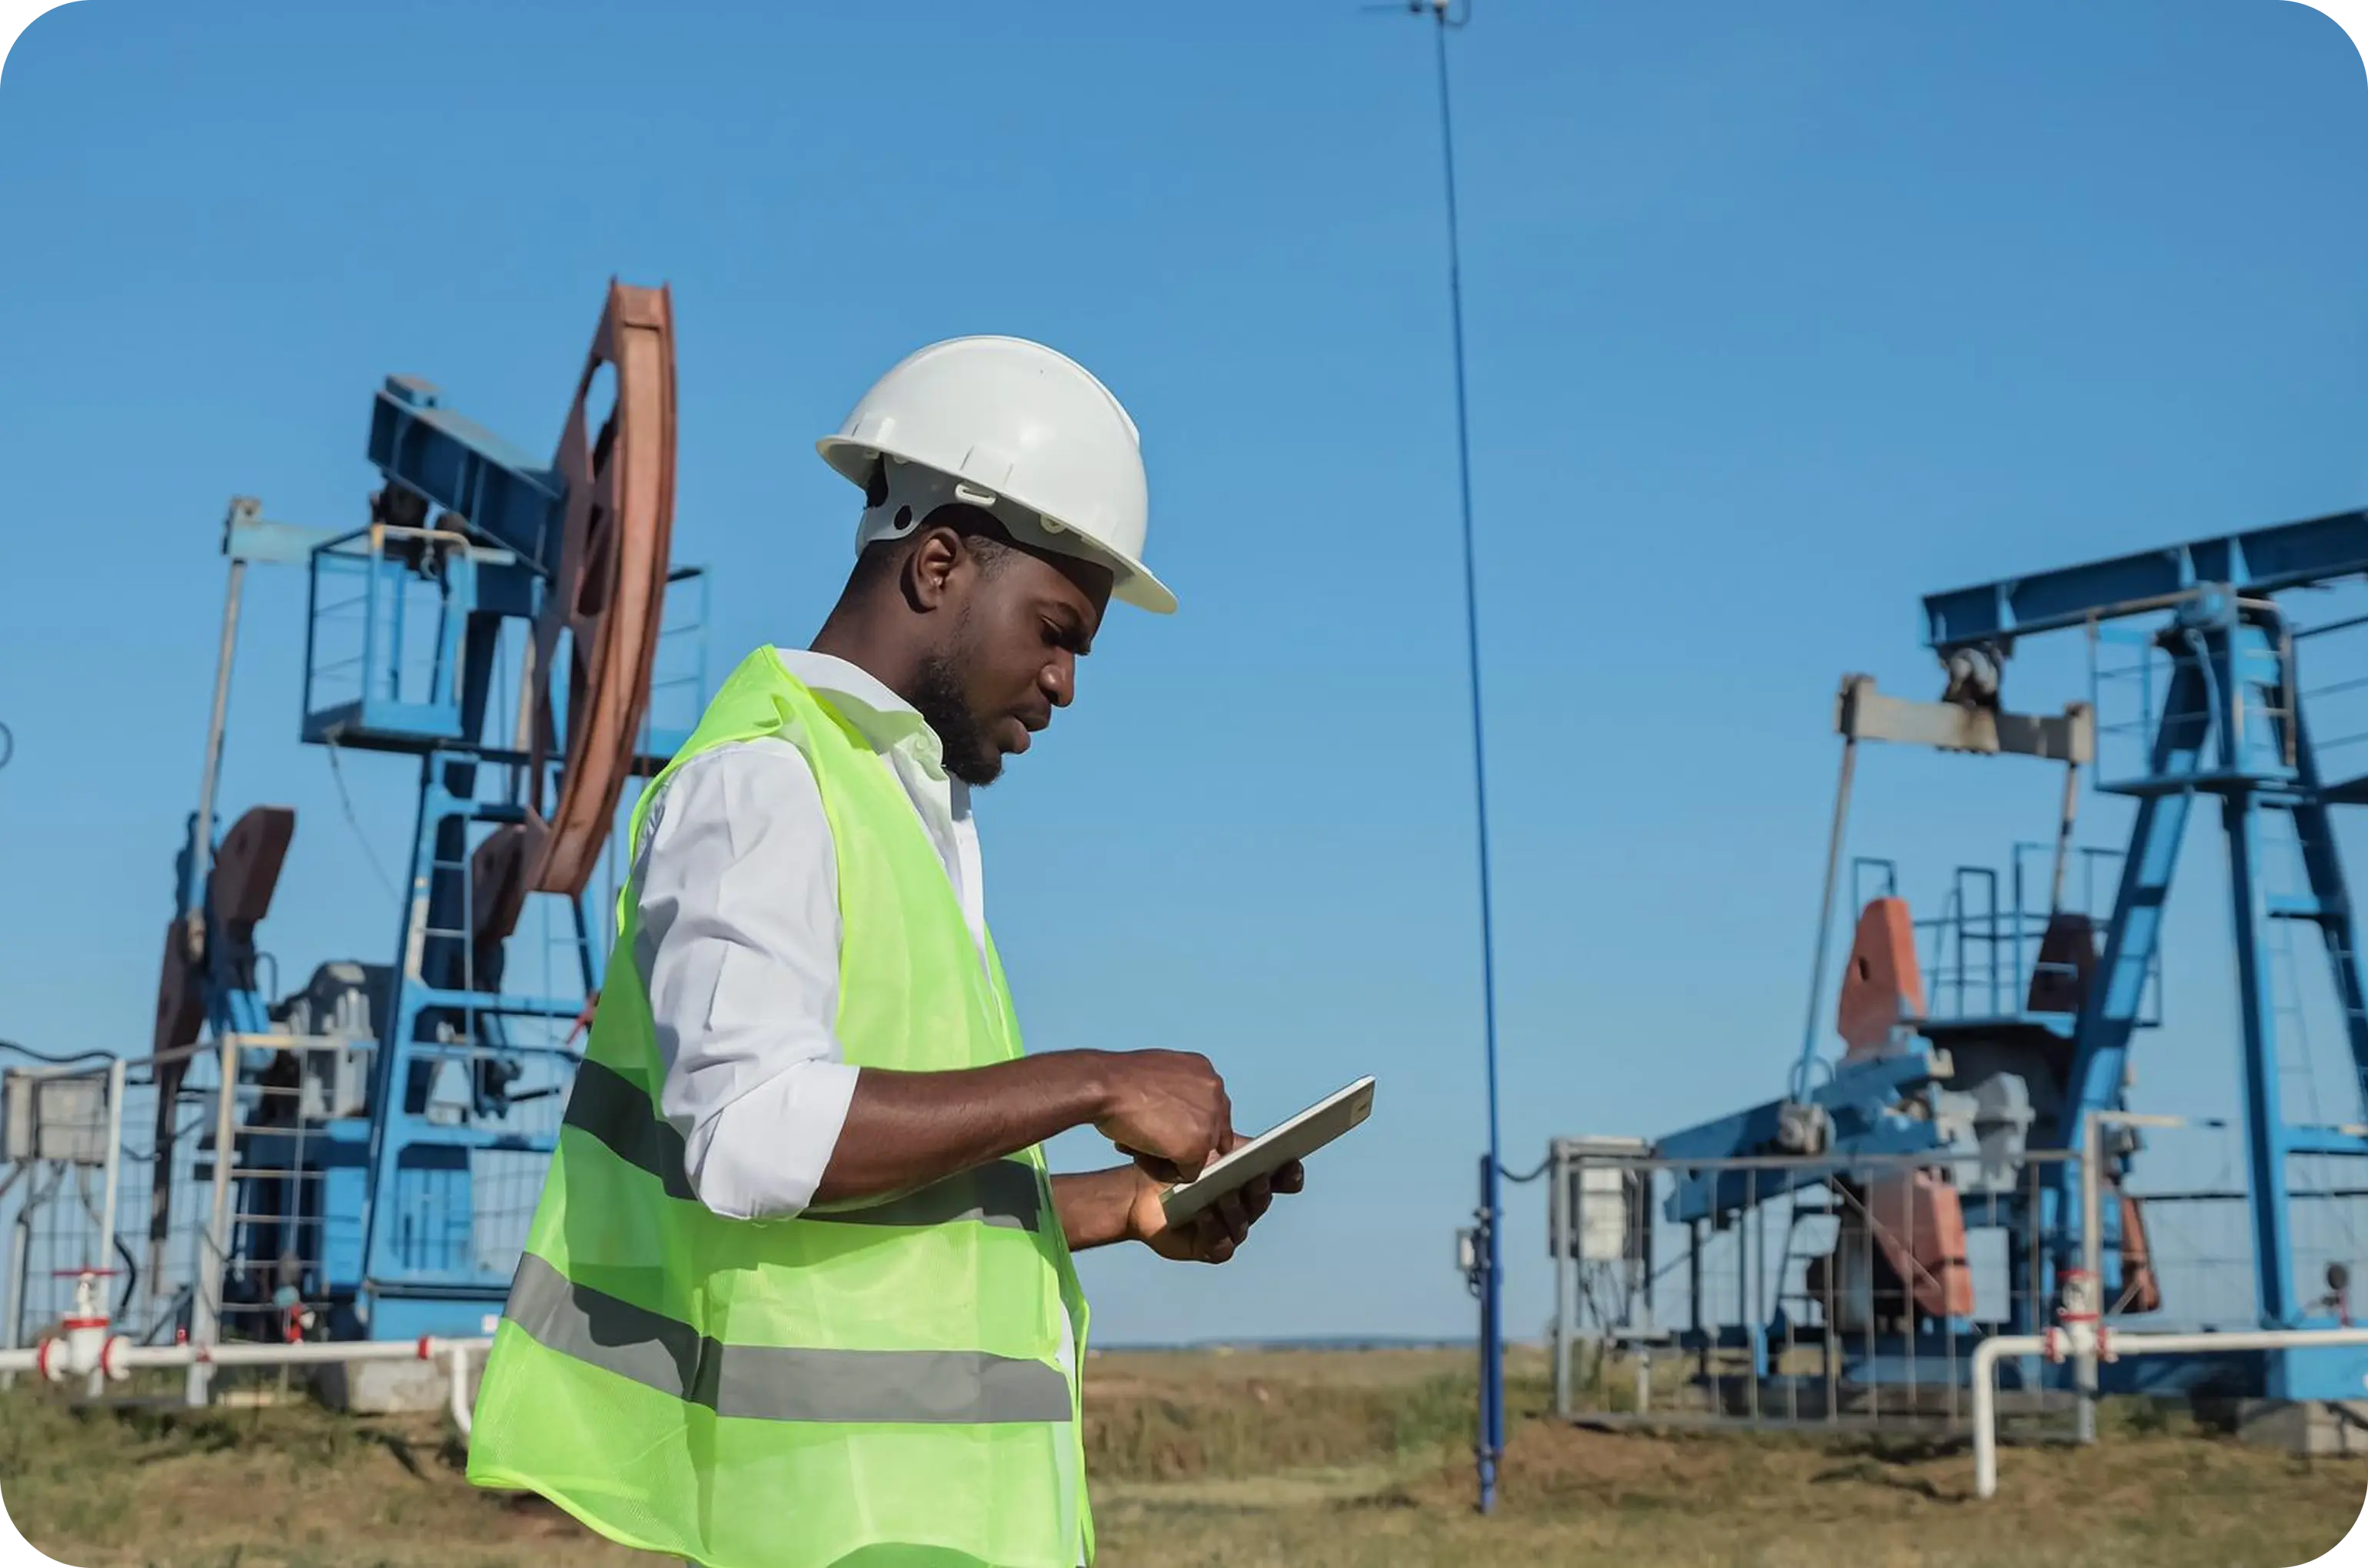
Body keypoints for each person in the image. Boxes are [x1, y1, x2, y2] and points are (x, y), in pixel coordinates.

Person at [467, 336, 1301, 1568]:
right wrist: (1096, 1081)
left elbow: (892, 1223)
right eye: (1057, 629)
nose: (1066, 683)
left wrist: (1128, 1209)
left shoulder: (902, 811)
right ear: (941, 562)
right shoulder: (766, 782)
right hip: (833, 1530)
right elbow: (750, 1137)